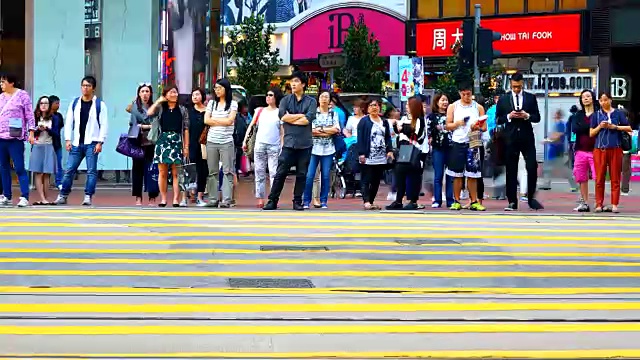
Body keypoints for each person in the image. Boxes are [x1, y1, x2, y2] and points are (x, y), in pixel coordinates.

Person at [263, 71, 317, 211]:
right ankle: (272, 200)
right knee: (280, 173)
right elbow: (282, 117)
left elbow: (307, 120)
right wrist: (299, 116)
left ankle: (297, 201)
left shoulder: (311, 101)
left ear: (303, 84)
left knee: (301, 174)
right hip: (289, 143)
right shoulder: (285, 100)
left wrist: (291, 117)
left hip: (305, 144)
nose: (293, 84)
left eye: (296, 81)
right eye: (292, 81)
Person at [54, 76, 108, 206]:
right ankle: (63, 195)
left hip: (92, 142)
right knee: (69, 170)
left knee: (91, 171)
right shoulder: (75, 103)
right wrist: (68, 139)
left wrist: (100, 141)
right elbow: (68, 123)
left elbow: (104, 124)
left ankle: (88, 196)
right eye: (83, 85)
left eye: (88, 86)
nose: (85, 88)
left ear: (93, 88)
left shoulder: (100, 104)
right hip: (77, 143)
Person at [496, 71, 544, 211]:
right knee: (511, 169)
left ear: (523, 84)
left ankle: (530, 198)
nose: (516, 89)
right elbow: (498, 119)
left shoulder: (530, 98)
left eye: (519, 86)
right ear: (511, 84)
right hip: (510, 137)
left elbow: (537, 117)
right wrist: (509, 116)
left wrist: (527, 115)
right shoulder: (504, 99)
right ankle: (512, 201)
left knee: (531, 167)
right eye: (514, 86)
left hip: (527, 136)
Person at [147, 85, 190, 207]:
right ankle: (163, 199)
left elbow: (186, 129)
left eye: (176, 92)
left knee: (176, 172)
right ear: (165, 95)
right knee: (162, 172)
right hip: (163, 141)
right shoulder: (161, 108)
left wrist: (186, 146)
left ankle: (176, 199)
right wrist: (159, 101)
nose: (174, 95)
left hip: (177, 140)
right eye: (171, 92)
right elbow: (149, 113)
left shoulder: (182, 109)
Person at [589, 92, 631, 213]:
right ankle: (598, 204)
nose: (603, 103)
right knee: (599, 178)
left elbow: (628, 128)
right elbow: (591, 133)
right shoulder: (596, 115)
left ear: (610, 100)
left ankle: (614, 204)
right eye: (601, 101)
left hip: (615, 148)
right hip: (599, 149)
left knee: (615, 177)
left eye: (605, 100)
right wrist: (600, 127)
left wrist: (615, 127)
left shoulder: (618, 113)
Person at [243, 89, 283, 208]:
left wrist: (282, 146)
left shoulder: (280, 112)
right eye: (267, 95)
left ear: (276, 97)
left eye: (271, 95)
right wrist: (245, 140)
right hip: (259, 145)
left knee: (274, 173)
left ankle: (273, 198)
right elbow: (251, 126)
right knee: (259, 172)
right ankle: (260, 198)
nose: (268, 97)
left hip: (274, 146)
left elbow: (282, 132)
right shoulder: (260, 111)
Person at [0, 73, 35, 207]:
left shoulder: (22, 95)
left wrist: (31, 132)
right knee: (3, 167)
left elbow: (29, 115)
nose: (1, 84)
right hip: (1, 137)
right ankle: (7, 196)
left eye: (3, 82)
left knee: (19, 166)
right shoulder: (1, 97)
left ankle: (24, 196)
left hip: (15, 137)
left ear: (11, 82)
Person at [386, 97, 426, 210]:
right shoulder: (404, 118)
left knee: (414, 176)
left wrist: (403, 128)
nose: (406, 107)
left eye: (408, 105)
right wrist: (396, 126)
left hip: (414, 149)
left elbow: (417, 135)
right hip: (402, 148)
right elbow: (398, 132)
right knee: (399, 174)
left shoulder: (419, 120)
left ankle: (413, 201)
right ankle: (398, 200)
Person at [304, 90, 340, 209]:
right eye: (322, 96)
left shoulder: (333, 114)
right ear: (318, 99)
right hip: (314, 149)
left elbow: (336, 129)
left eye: (326, 97)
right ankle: (306, 201)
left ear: (330, 100)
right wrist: (326, 130)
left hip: (328, 149)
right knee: (310, 175)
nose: (324, 98)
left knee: (325, 176)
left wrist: (321, 130)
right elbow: (310, 130)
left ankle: (324, 200)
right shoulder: (313, 112)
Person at [204, 78, 237, 208]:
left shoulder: (233, 104)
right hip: (211, 140)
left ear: (226, 89)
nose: (217, 90)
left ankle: (227, 199)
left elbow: (230, 121)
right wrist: (222, 120)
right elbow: (206, 120)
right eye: (215, 88)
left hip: (227, 141)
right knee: (212, 171)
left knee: (228, 171)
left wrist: (215, 120)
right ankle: (213, 199)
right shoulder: (211, 103)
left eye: (219, 88)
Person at [357, 98, 394, 210]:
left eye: (377, 105)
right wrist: (361, 153)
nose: (374, 107)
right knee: (366, 178)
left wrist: (389, 151)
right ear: (367, 108)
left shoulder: (384, 122)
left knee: (376, 180)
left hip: (381, 155)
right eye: (372, 105)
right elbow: (361, 138)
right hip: (368, 155)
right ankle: (366, 201)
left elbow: (387, 138)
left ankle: (371, 201)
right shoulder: (364, 121)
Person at [125, 83, 157, 206]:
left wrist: (145, 126)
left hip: (151, 141)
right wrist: (134, 100)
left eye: (147, 91)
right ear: (139, 93)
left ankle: (152, 196)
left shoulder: (155, 107)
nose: (145, 94)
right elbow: (128, 111)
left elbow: (156, 124)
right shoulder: (135, 107)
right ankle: (138, 196)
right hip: (137, 141)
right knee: (137, 170)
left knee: (151, 169)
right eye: (142, 91)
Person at [570, 90, 597, 212]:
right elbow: (575, 128)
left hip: (596, 150)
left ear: (592, 98)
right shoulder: (578, 115)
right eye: (583, 97)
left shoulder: (598, 114)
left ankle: (599, 202)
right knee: (581, 178)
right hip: (580, 150)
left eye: (588, 96)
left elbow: (600, 128)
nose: (585, 98)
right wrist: (592, 127)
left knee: (598, 177)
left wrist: (585, 127)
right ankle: (585, 202)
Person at [29, 96, 58, 205]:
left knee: (47, 173)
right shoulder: (35, 117)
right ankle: (42, 197)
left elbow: (56, 134)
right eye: (41, 103)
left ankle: (44, 199)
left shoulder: (54, 118)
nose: (44, 105)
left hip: (49, 145)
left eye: (46, 103)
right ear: (38, 105)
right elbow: (30, 131)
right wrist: (38, 129)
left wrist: (47, 129)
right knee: (38, 172)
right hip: (37, 146)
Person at [428, 92, 454, 208]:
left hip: (451, 148)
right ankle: (437, 199)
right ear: (437, 102)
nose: (445, 102)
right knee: (438, 175)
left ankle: (450, 199)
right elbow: (429, 132)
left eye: (446, 100)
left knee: (451, 175)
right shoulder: (432, 117)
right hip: (438, 148)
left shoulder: (453, 115)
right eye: (442, 100)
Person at [188, 88, 208, 206]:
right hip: (191, 143)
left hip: (204, 144)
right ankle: (190, 194)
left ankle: (200, 196)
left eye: (197, 94)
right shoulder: (188, 111)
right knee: (190, 170)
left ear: (202, 96)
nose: (195, 97)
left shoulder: (208, 111)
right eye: (193, 95)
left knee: (203, 170)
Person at [49, 95, 65, 189]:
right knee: (47, 163)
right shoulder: (47, 116)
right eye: (56, 103)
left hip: (57, 143)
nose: (58, 105)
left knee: (58, 163)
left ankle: (58, 182)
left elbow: (60, 127)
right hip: (47, 143)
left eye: (59, 103)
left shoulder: (59, 116)